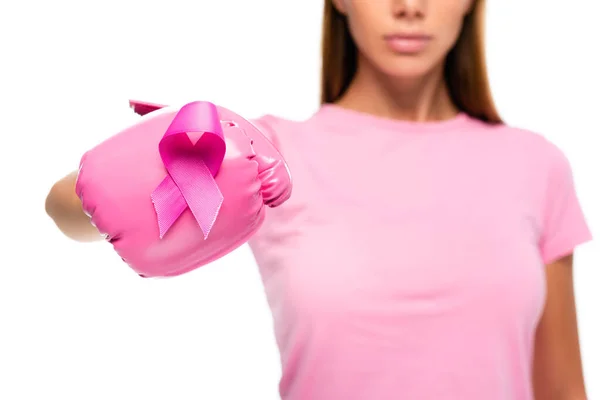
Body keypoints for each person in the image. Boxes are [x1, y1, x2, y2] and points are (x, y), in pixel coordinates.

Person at [45, 0, 593, 399]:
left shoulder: (536, 164)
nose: (410, 7)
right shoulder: (264, 153)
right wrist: (173, 156)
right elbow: (63, 207)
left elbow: (563, 388)